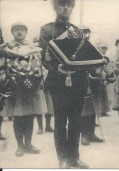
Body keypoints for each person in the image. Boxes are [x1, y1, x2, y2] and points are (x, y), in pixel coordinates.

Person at [39, 0, 90, 168]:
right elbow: (44, 57)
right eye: (62, 5)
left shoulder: (77, 31)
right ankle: (62, 158)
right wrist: (57, 68)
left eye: (69, 5)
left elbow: (83, 55)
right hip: (58, 81)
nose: (66, 8)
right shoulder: (47, 30)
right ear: (55, 7)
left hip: (77, 80)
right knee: (60, 121)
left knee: (76, 120)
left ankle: (74, 157)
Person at [6, 22, 44, 157]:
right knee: (18, 117)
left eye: (22, 29)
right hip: (15, 86)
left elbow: (38, 64)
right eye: (16, 30)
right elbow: (5, 65)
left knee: (30, 116)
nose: (19, 32)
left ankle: (28, 144)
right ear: (12, 32)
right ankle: (20, 146)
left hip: (31, 86)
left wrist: (37, 78)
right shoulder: (7, 48)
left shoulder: (32, 47)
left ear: (26, 32)